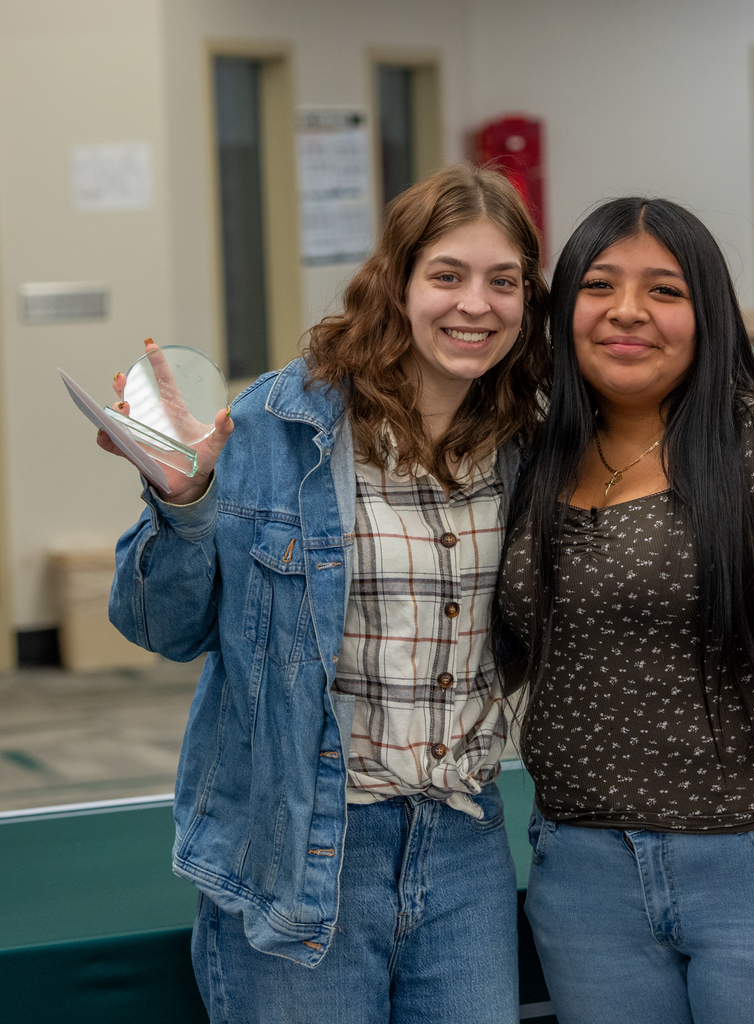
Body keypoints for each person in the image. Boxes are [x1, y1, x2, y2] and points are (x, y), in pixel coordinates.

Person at [100, 164, 549, 1024]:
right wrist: (182, 503)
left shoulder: (531, 443)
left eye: (504, 282)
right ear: (397, 281)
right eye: (447, 275)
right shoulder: (281, 424)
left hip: (465, 840)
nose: (476, 305)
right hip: (305, 841)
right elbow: (163, 627)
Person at [497, 198, 754, 1024]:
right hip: (584, 878)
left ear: (707, 312)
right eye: (600, 285)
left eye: (665, 290)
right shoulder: (535, 460)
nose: (628, 312)